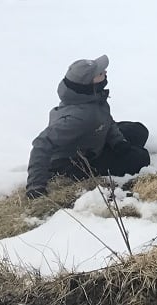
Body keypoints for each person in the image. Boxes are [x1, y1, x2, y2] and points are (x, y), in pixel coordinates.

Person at [26, 55, 150, 199]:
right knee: (141, 158)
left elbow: (105, 120)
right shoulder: (78, 117)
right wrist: (36, 185)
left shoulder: (91, 97)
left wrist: (118, 143)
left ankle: (118, 148)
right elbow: (42, 143)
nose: (105, 73)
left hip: (93, 136)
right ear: (89, 83)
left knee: (139, 131)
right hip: (78, 163)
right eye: (100, 73)